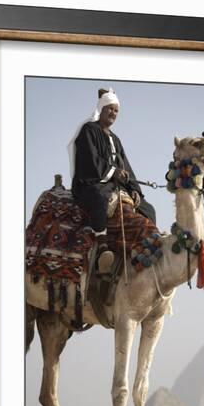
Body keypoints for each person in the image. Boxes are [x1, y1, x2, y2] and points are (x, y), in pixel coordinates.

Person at [71, 88, 156, 273]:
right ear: (101, 109)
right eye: (110, 109)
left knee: (148, 209)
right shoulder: (88, 130)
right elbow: (88, 160)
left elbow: (126, 166)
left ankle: (140, 253)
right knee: (100, 197)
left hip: (116, 185)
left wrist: (134, 188)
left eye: (116, 110)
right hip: (92, 182)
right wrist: (113, 172)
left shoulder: (115, 139)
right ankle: (102, 247)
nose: (113, 113)